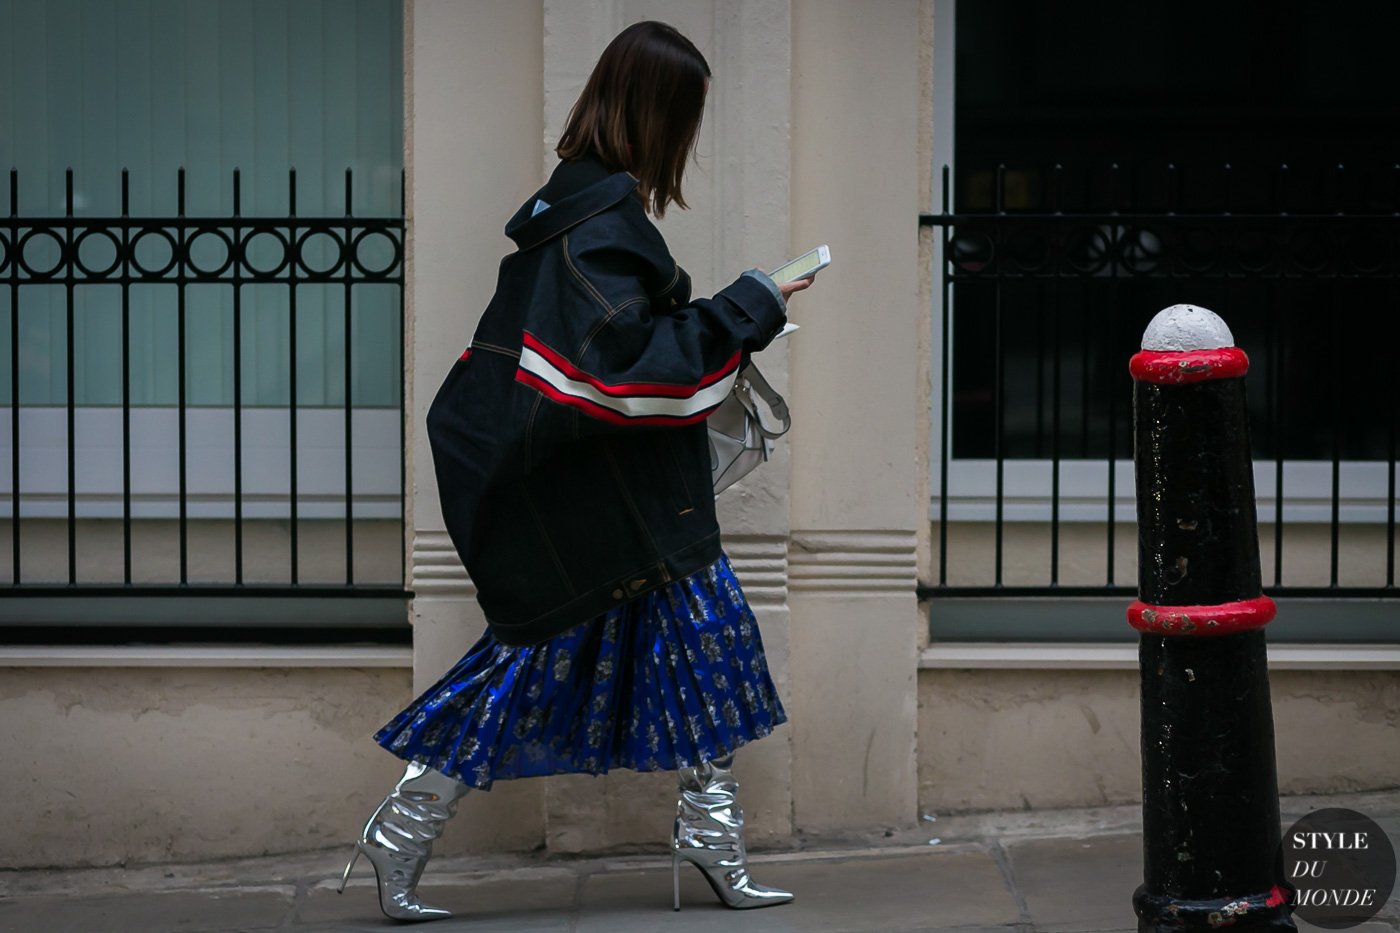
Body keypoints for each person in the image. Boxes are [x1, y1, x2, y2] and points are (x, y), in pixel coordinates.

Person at [336, 20, 813, 922]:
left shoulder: (586, 211)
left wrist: (741, 307)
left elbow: (612, 357)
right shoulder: (598, 227)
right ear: (659, 115)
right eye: (688, 116)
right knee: (533, 666)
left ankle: (709, 840)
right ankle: (400, 834)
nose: (691, 138)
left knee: (701, 648)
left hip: (602, 497)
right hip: (593, 504)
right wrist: (755, 303)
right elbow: (623, 372)